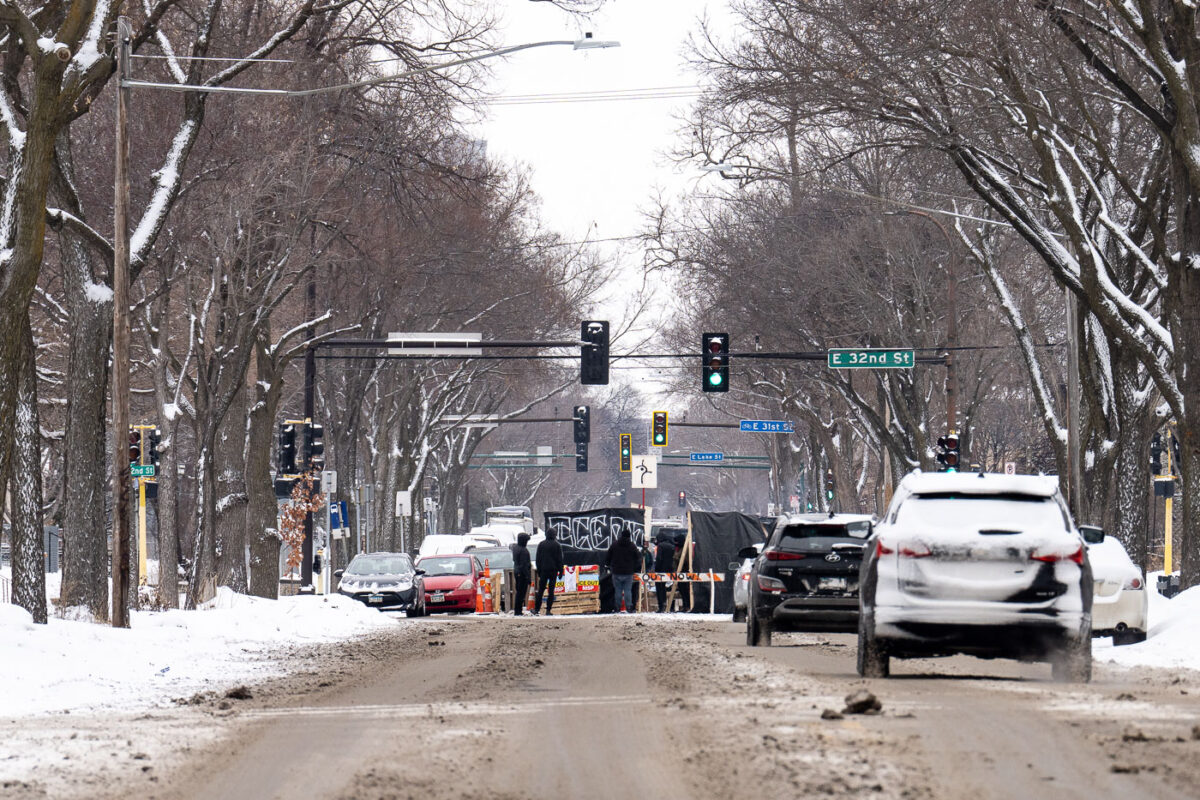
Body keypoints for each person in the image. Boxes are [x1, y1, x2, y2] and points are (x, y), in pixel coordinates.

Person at [605, 529, 641, 613]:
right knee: (628, 590)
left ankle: (617, 607)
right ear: (629, 536)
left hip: (616, 572)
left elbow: (608, 556)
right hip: (628, 572)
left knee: (618, 590)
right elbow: (638, 558)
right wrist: (635, 568)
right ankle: (629, 607)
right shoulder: (632, 546)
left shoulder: (614, 545)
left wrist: (608, 565)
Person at [533, 528, 564, 615]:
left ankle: (537, 609)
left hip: (543, 570)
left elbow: (538, 559)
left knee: (541, 590)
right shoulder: (557, 545)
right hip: (553, 571)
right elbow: (560, 560)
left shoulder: (541, 544)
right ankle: (548, 610)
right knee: (551, 591)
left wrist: (539, 570)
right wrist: (561, 571)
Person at [654, 531, 677, 613]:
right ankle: (671, 606)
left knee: (660, 588)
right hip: (671, 570)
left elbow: (659, 559)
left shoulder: (660, 546)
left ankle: (662, 606)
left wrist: (656, 569)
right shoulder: (672, 546)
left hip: (661, 571)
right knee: (670, 589)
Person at [511, 533, 532, 615]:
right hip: (522, 574)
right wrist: (528, 577)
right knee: (521, 592)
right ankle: (518, 610)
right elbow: (524, 565)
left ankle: (517, 609)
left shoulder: (515, 548)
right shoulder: (524, 551)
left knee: (518, 592)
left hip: (517, 572)